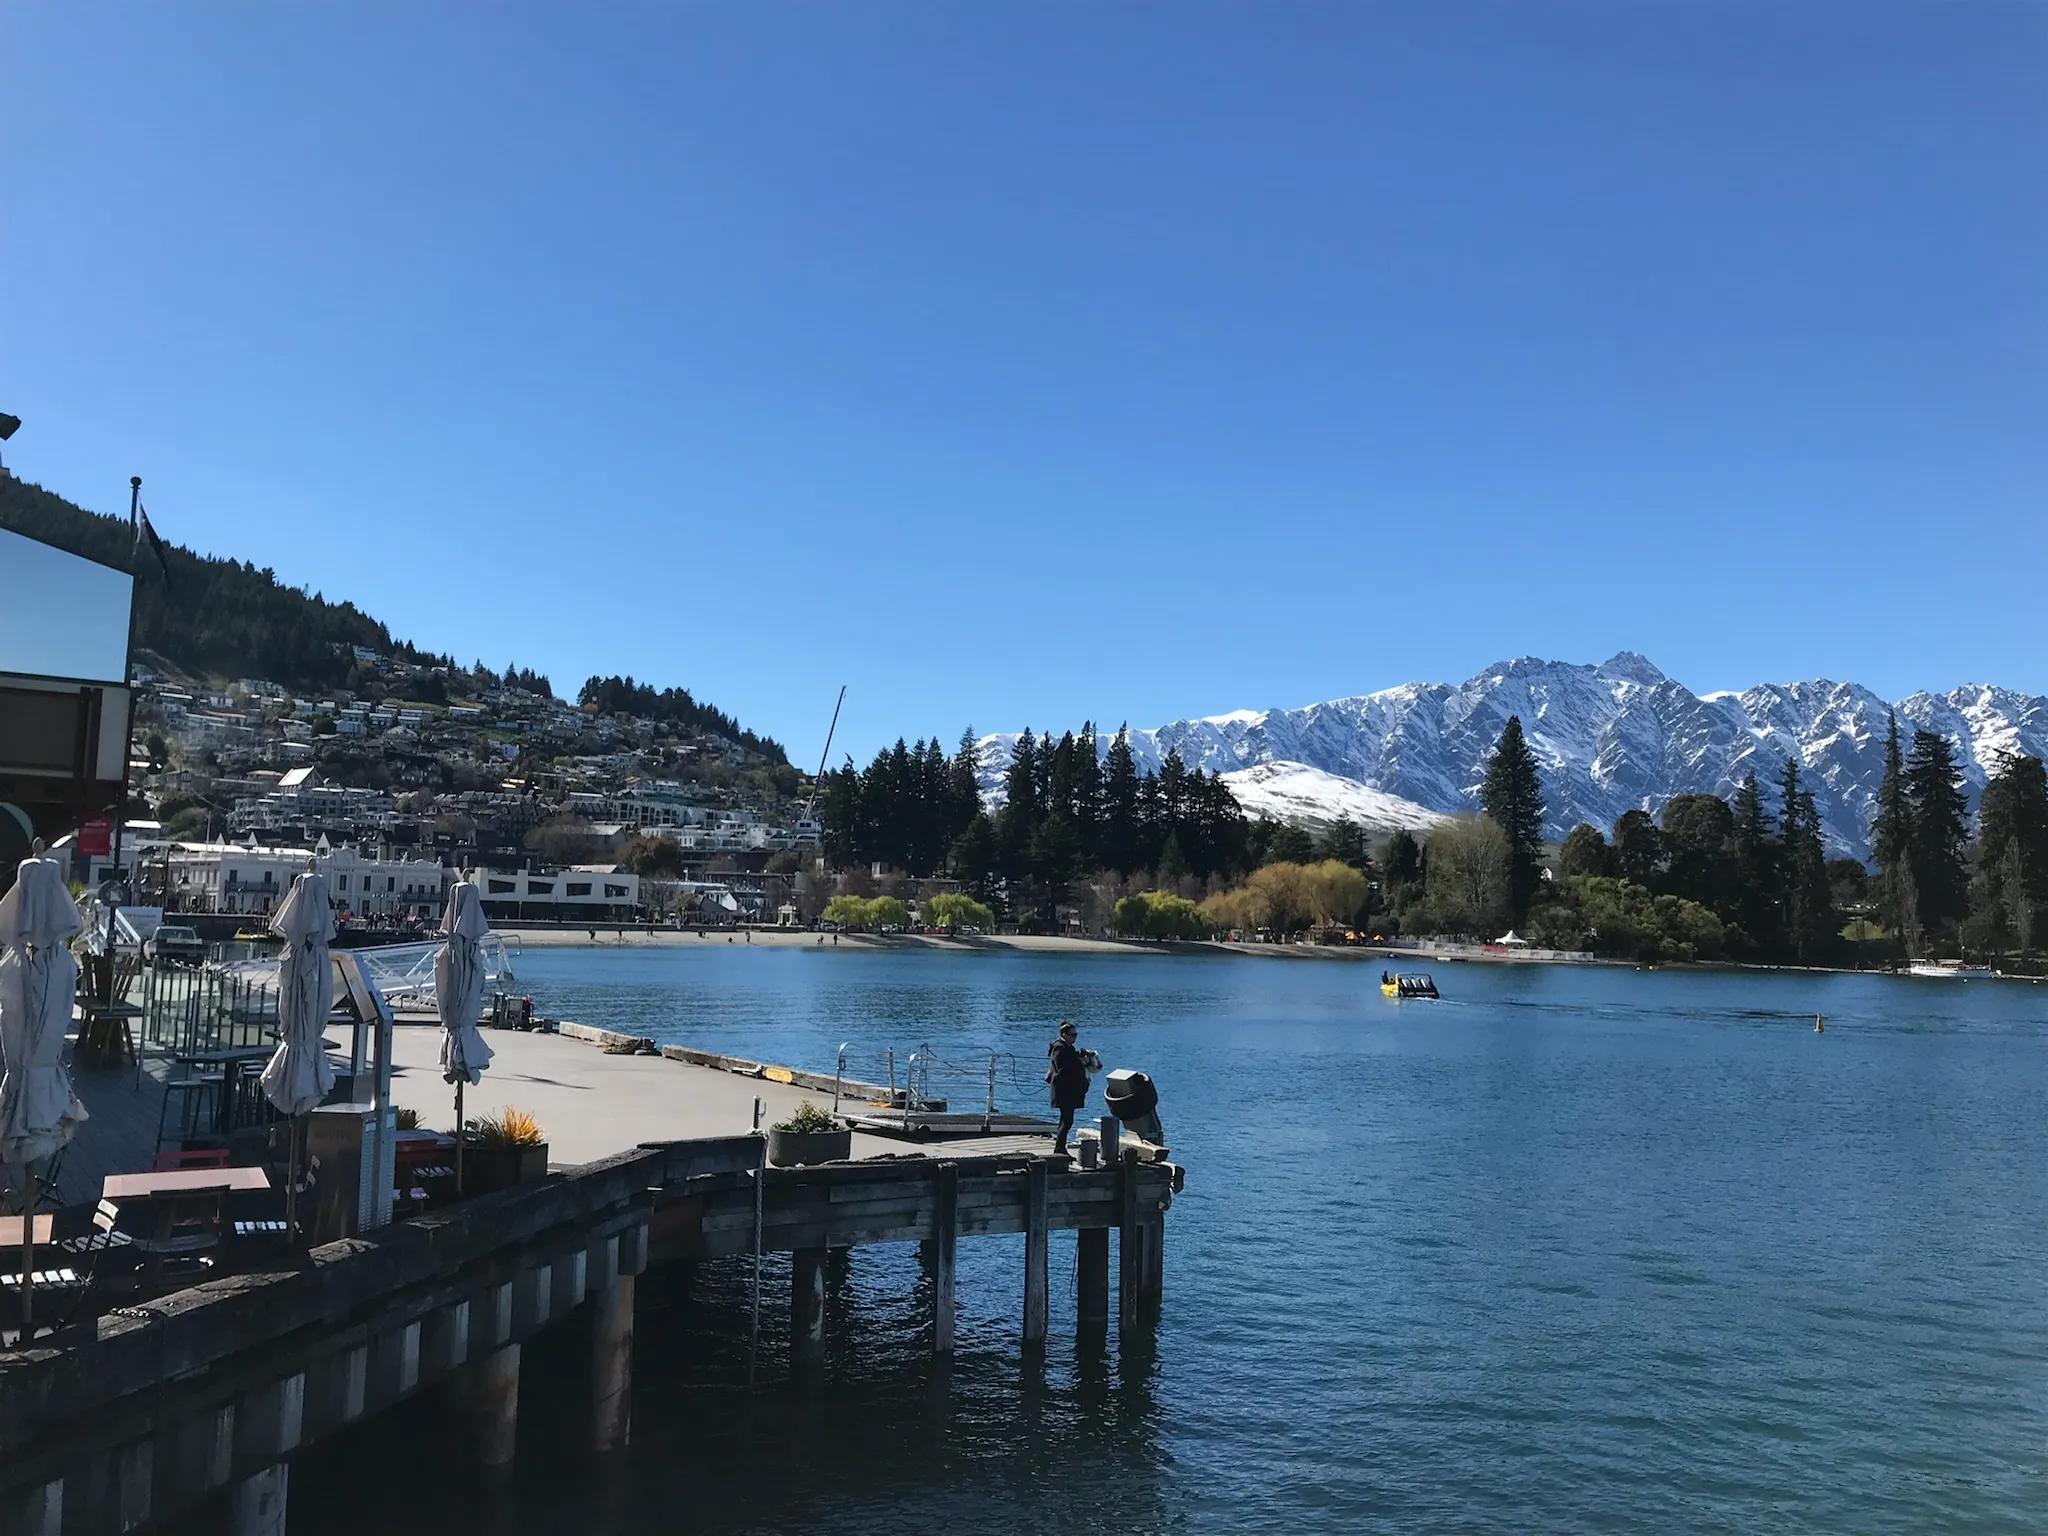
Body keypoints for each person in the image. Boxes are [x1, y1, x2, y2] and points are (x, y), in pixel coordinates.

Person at [1045, 1020, 1089, 1155]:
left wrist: (1079, 1055)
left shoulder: (1066, 1047)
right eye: (1072, 1035)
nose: (1075, 1038)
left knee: (1066, 1120)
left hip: (1069, 1089)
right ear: (1064, 1034)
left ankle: (1061, 1147)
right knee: (1067, 1120)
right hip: (1064, 1090)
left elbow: (1070, 1058)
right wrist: (1080, 1062)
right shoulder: (1059, 1048)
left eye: (1076, 1035)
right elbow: (1062, 1067)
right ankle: (1059, 1148)